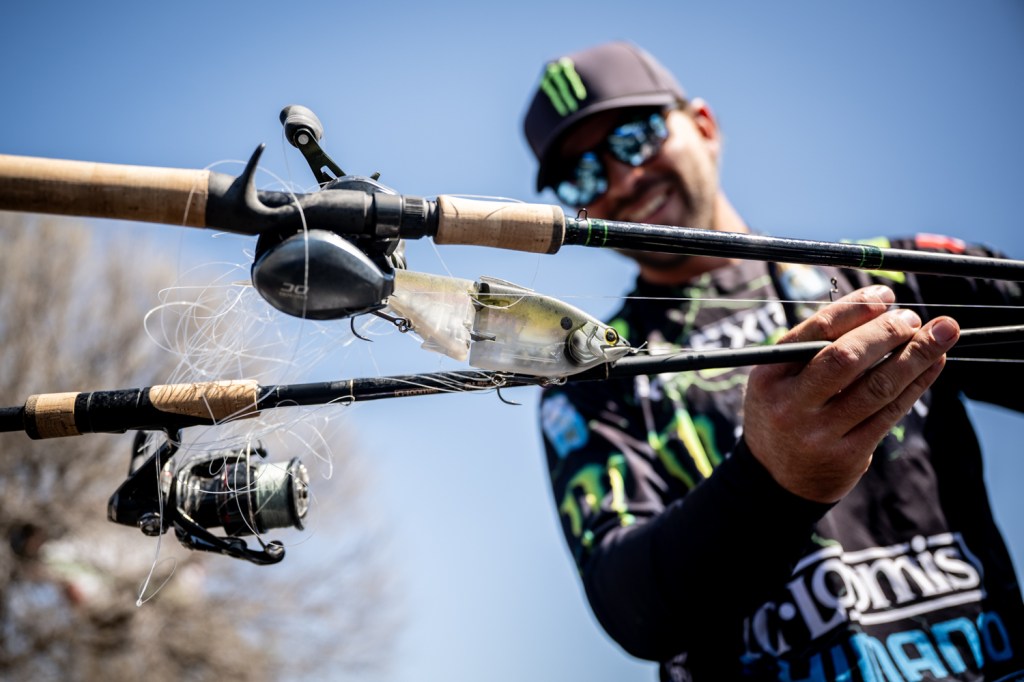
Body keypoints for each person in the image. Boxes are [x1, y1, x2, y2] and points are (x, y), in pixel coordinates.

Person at [522, 40, 1024, 680]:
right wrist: (772, 479)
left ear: (704, 126)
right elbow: (632, 609)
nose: (623, 180)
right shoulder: (591, 371)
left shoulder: (894, 274)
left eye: (636, 137)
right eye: (584, 175)